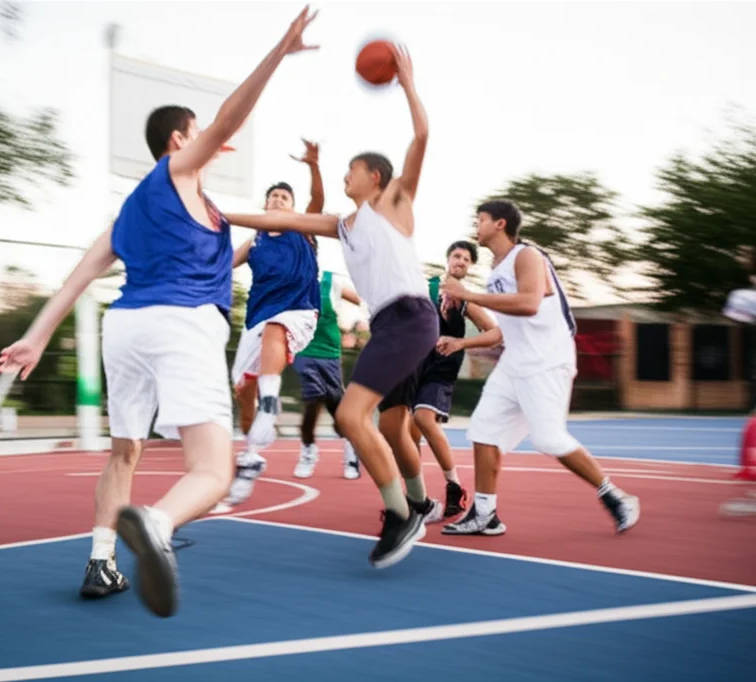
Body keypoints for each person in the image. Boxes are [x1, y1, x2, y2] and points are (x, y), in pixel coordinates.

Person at [0, 6, 319, 618]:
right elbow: (232, 112)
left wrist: (35, 337)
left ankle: (100, 560)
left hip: (125, 328)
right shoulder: (178, 171)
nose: (209, 139)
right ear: (179, 140)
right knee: (212, 471)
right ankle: (156, 522)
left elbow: (79, 276)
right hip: (183, 323)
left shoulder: (133, 211)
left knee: (126, 452)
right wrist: (281, 48)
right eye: (197, 132)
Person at [226, 43, 443, 568]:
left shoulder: (394, 203)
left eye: (351, 170)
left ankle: (400, 514)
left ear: (376, 178)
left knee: (350, 416)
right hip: (386, 326)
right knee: (385, 425)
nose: (346, 178)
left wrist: (407, 82)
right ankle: (419, 500)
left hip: (412, 317)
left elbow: (421, 137)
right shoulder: (341, 226)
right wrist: (214, 212)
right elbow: (288, 221)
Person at [439, 200, 641, 536]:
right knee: (483, 431)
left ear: (500, 224)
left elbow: (530, 303)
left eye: (482, 219)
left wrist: (469, 295)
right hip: (515, 363)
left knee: (549, 439)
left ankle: (617, 497)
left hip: (547, 361)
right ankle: (485, 514)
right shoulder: (497, 271)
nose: (477, 225)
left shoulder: (526, 256)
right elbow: (508, 327)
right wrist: (464, 344)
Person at [224, 141, 324, 506]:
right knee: (241, 392)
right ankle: (250, 456)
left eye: (285, 197)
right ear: (265, 205)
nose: (279, 201)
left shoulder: (303, 229)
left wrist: (314, 165)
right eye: (274, 197)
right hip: (258, 318)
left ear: (292, 206)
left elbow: (317, 200)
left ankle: (270, 404)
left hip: (298, 311)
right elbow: (219, 268)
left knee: (275, 331)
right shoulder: (255, 240)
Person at [405, 240, 498, 518]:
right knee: (409, 437)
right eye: (457, 256)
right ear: (448, 260)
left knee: (423, 418)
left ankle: (454, 486)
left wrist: (461, 343)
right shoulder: (426, 288)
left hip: (442, 370)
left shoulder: (467, 299)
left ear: (469, 268)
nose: (461, 261)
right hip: (415, 367)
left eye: (467, 260)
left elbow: (493, 331)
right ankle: (416, 496)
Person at [291, 267, 363, 481]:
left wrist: (356, 328)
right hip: (305, 351)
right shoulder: (291, 278)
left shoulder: (332, 282)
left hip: (330, 353)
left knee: (337, 407)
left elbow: (367, 303)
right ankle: (308, 451)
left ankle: (351, 451)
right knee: (312, 399)